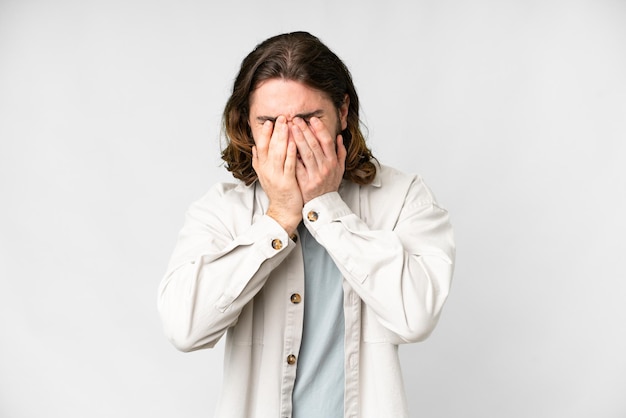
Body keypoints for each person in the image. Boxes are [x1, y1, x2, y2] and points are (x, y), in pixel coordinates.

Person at [158, 31, 455, 418]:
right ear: (246, 124)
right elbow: (185, 329)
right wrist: (278, 219)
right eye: (269, 121)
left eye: (308, 119)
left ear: (342, 113)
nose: (290, 138)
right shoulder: (221, 210)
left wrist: (326, 208)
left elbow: (415, 318)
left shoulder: (403, 197)